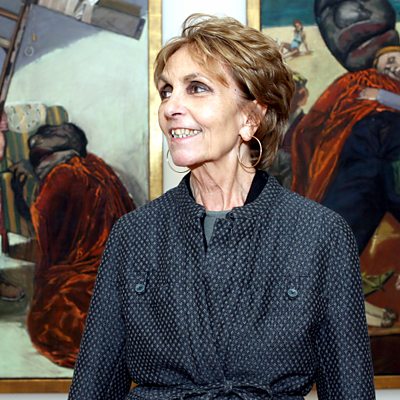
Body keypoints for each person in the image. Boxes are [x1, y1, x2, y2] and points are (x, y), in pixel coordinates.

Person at [68, 14, 375, 400]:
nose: (170, 107)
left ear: (251, 117)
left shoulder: (319, 234)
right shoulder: (134, 234)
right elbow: (92, 388)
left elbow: (350, 389)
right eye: (166, 91)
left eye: (196, 88)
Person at [10, 122, 135, 367]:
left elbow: (48, 237)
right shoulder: (97, 166)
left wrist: (20, 192)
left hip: (85, 281)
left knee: (52, 321)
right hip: (125, 279)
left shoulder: (61, 177)